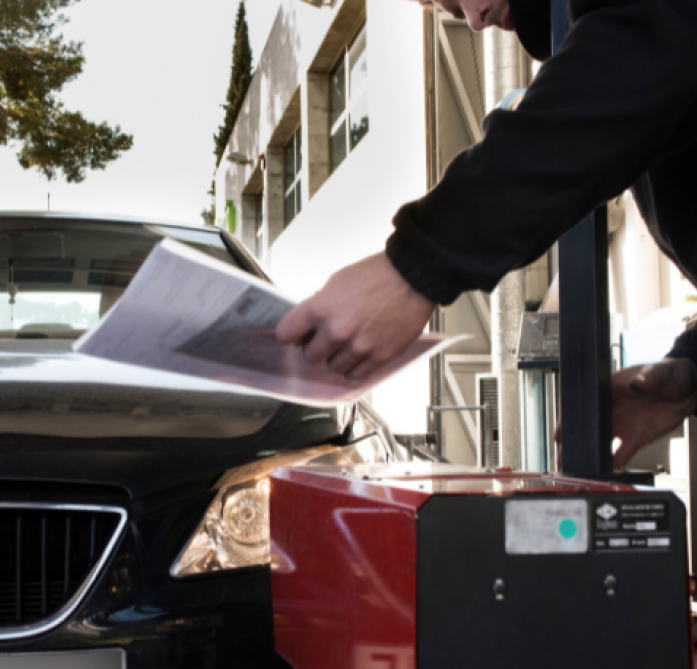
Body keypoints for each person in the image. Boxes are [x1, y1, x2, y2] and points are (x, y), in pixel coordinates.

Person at [276, 0, 697, 469]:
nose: (475, 20)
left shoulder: (629, 38)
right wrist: (691, 374)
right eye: (455, 14)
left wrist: (415, 268)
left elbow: (639, 49)